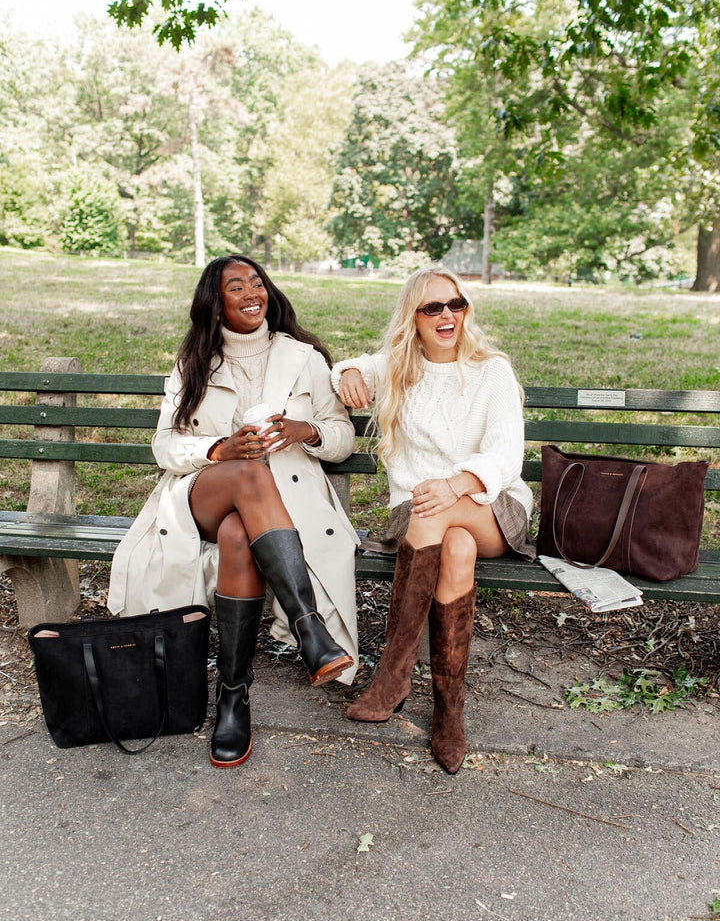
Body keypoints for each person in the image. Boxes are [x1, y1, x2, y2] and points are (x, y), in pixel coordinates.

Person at [108, 254, 360, 769]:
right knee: (246, 474)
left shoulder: (304, 357)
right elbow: (165, 445)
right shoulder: (194, 363)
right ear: (215, 301)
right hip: (201, 495)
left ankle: (232, 695)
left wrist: (304, 432)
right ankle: (310, 629)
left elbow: (343, 436)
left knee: (239, 535)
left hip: (283, 502)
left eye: (257, 282)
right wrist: (219, 450)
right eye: (235, 286)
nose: (251, 292)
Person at [332, 266, 534, 774]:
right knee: (454, 547)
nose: (448, 315)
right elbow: (346, 369)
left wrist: (455, 485)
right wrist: (350, 373)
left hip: (490, 503)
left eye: (456, 304)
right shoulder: (399, 368)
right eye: (433, 308)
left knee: (441, 519)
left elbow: (507, 455)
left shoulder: (493, 371)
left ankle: (393, 676)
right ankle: (450, 709)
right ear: (413, 319)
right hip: (425, 512)